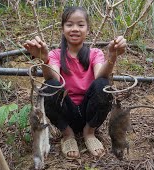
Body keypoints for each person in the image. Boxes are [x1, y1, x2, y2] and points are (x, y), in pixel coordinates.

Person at [24, 6, 126, 159]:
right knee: (50, 85)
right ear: (63, 28)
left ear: (88, 29)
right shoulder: (55, 54)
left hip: (89, 111)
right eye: (69, 24)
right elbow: (54, 80)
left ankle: (89, 132)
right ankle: (68, 134)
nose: (75, 29)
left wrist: (112, 56)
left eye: (80, 24)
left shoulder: (95, 53)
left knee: (103, 84)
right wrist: (44, 59)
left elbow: (100, 76)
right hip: (67, 112)